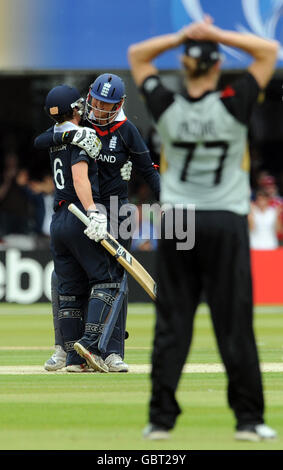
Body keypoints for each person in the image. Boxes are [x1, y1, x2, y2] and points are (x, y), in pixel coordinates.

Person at [128, 15, 278, 441]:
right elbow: (268, 52)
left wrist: (183, 35)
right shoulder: (236, 101)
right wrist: (215, 34)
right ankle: (248, 421)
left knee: (173, 323)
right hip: (225, 217)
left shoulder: (167, 106)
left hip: (178, 219)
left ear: (184, 65)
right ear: (215, 66)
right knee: (234, 324)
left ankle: (160, 419)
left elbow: (137, 57)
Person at [34, 73, 160, 372]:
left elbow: (149, 171)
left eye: (107, 106)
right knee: (70, 281)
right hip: (84, 212)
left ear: (120, 105)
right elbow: (42, 140)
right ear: (89, 97)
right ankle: (70, 351)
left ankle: (112, 352)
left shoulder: (127, 130)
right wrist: (69, 134)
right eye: (97, 103)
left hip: (117, 213)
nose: (100, 111)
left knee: (115, 282)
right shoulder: (82, 124)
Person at [41, 83, 125, 373]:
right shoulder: (85, 135)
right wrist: (93, 212)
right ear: (75, 110)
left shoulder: (54, 138)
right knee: (107, 281)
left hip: (58, 220)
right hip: (79, 213)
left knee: (68, 292)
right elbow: (80, 177)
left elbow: (40, 140)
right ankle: (88, 346)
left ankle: (73, 359)